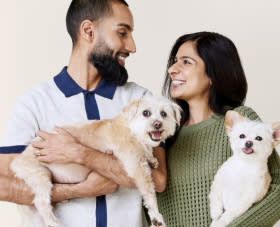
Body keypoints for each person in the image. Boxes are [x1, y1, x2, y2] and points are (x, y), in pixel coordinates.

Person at [0, 0, 167, 226]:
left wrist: (80, 154)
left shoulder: (141, 103)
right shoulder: (33, 103)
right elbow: (4, 185)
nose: (132, 46)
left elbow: (157, 180)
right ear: (88, 31)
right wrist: (78, 190)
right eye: (122, 33)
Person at [157, 31, 280, 226]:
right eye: (174, 61)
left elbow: (277, 191)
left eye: (186, 62)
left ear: (214, 73)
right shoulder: (163, 133)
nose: (172, 69)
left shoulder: (242, 124)